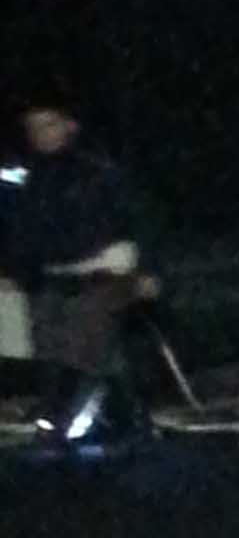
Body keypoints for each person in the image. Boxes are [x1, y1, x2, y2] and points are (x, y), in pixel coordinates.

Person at [9, 97, 155, 440]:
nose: (40, 134)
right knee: (49, 341)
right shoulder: (30, 180)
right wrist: (17, 272)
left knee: (83, 337)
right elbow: (23, 235)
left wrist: (148, 269)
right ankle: (121, 412)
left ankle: (62, 415)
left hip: (104, 273)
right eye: (33, 128)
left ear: (69, 126)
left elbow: (138, 222)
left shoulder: (100, 173)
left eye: (48, 125)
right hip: (52, 276)